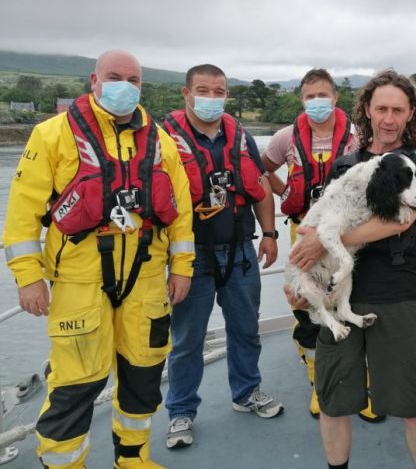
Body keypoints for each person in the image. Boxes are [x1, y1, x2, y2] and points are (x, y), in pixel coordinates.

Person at [2, 50, 195, 468]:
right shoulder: (51, 135)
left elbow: (181, 213)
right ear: (94, 80)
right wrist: (28, 278)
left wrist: (181, 267)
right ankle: (66, 463)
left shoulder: (161, 141)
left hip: (146, 280)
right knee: (75, 383)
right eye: (114, 76)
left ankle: (133, 458)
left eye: (133, 79)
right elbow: (21, 216)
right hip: (78, 282)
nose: (124, 85)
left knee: (143, 377)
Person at [287, 70, 416, 469]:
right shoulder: (344, 166)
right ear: (367, 112)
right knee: (334, 404)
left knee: (413, 408)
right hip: (338, 294)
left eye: (398, 110)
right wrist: (303, 281)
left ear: (411, 115)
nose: (388, 119)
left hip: (395, 292)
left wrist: (325, 239)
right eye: (381, 109)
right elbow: (318, 222)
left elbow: (399, 222)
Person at [162, 64, 283, 450]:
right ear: (186, 93)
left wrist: (269, 234)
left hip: (240, 249)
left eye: (219, 91)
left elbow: (260, 185)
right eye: (203, 90)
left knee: (246, 327)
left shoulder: (240, 136)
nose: (211, 98)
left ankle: (246, 392)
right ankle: (181, 411)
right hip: (189, 258)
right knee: (186, 340)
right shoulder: (164, 138)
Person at [261, 68, 361, 419]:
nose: (317, 102)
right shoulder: (285, 138)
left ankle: (362, 383)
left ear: (335, 97)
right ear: (301, 99)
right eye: (309, 96)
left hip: (347, 234)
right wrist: (286, 193)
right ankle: (318, 384)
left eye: (323, 95)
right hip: (302, 232)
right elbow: (264, 168)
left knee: (352, 300)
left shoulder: (355, 137)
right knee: (307, 307)